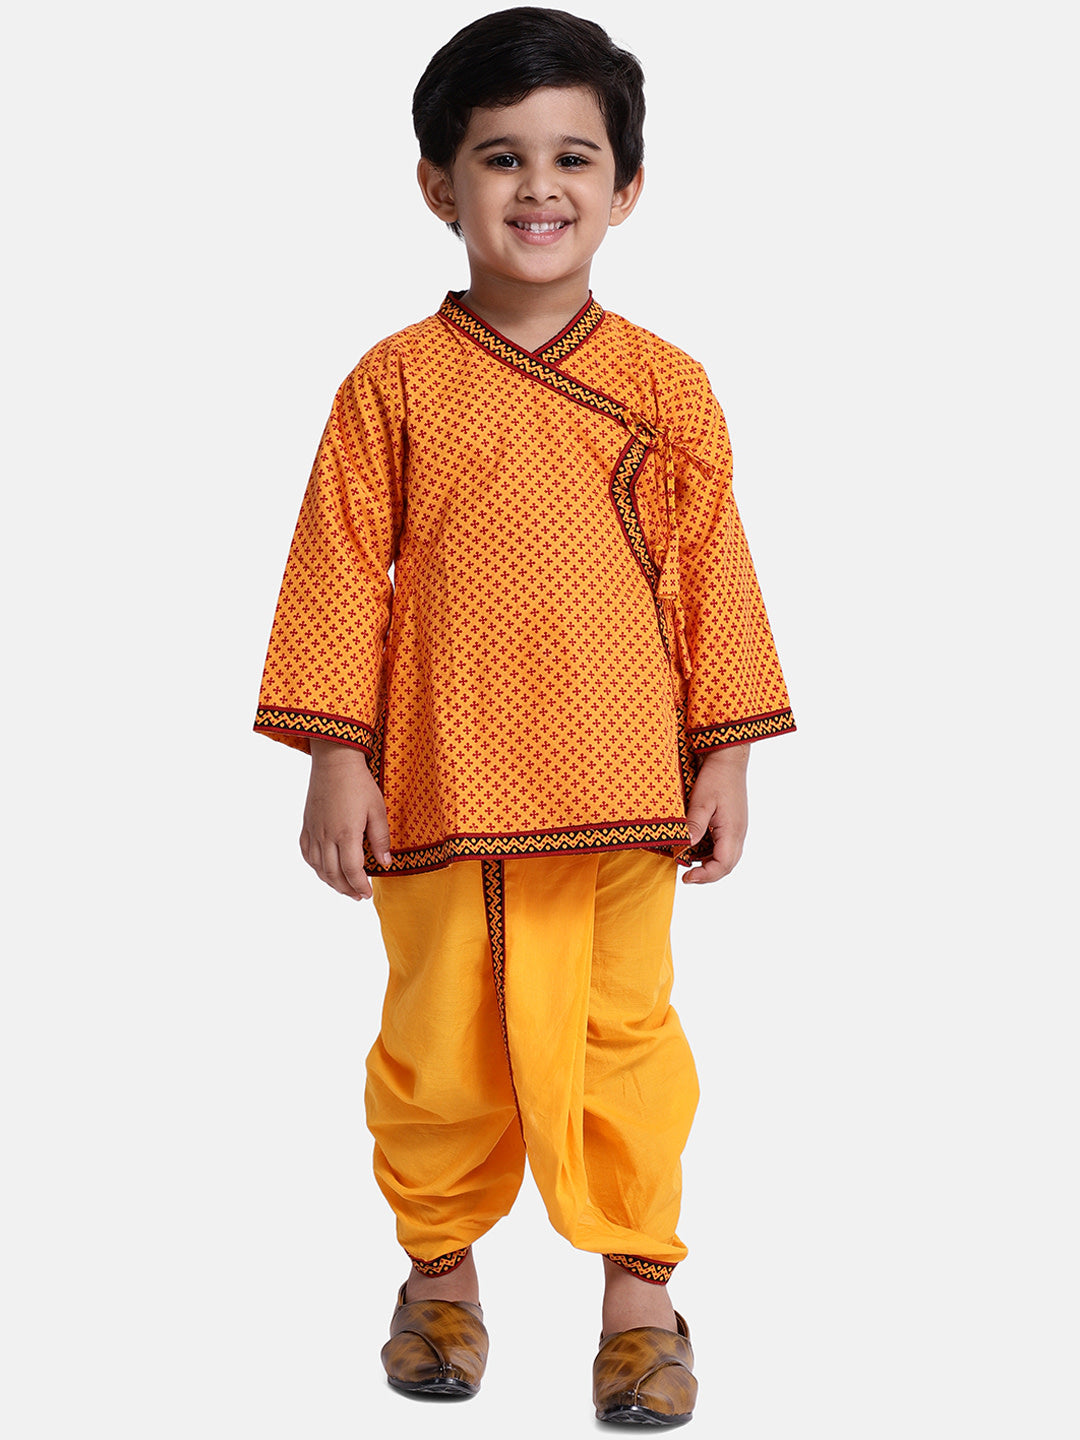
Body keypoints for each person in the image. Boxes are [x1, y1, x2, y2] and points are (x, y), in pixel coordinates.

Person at [254, 6, 794, 1425]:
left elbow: (713, 574)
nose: (538, 187)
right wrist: (336, 758)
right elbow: (337, 568)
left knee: (622, 1033)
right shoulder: (390, 382)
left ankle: (639, 1298)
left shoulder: (666, 383)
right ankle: (439, 1273)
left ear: (628, 187)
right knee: (438, 1032)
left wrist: (729, 750)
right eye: (501, 157)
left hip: (624, 779)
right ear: (439, 183)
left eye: (574, 157)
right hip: (438, 774)